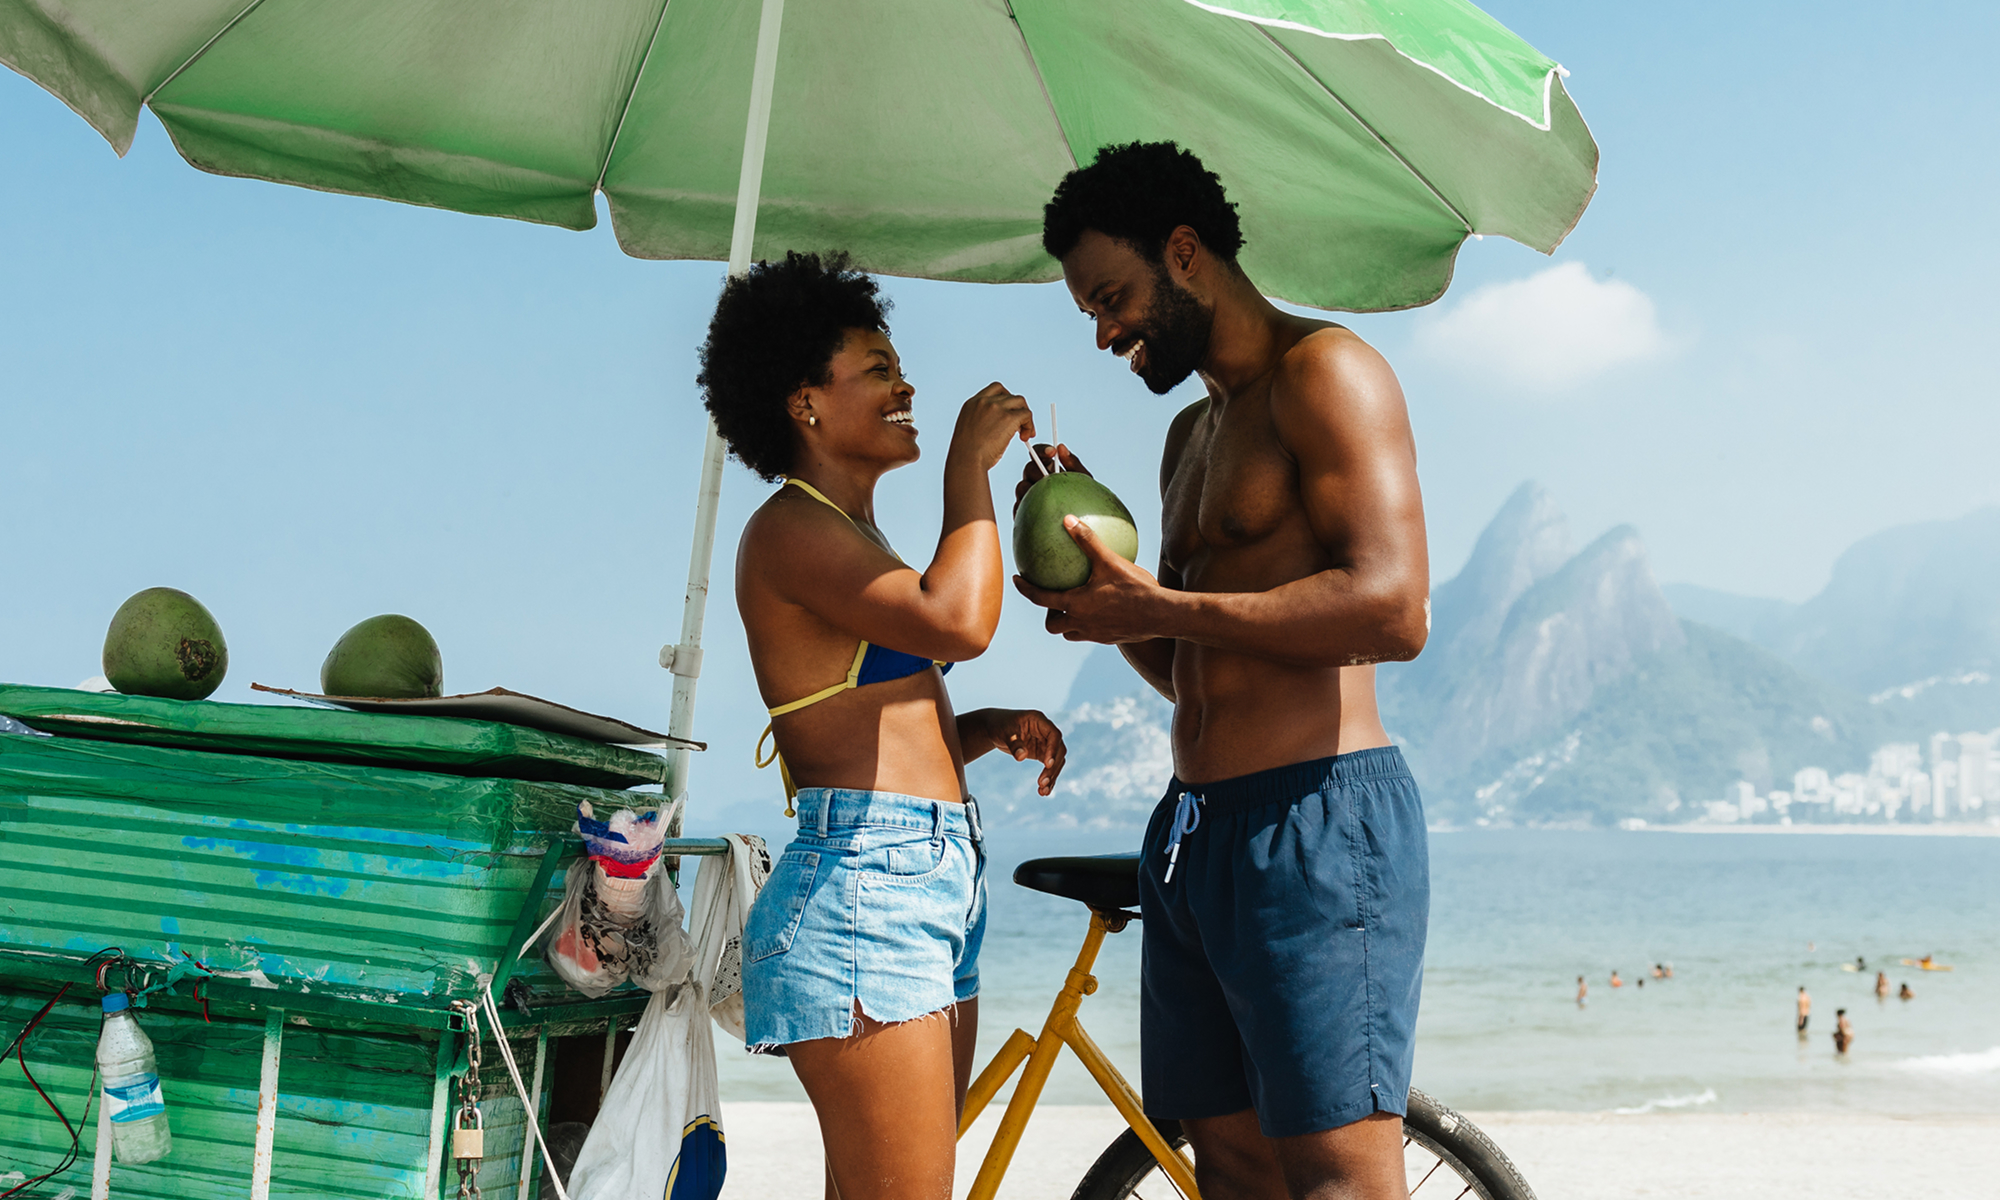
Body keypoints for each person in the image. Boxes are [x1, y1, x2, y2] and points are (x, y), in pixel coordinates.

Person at [1020, 142, 1431, 1200]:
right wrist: (1099, 599)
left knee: (1339, 1180)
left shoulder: (1328, 372)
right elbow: (1192, 666)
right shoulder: (1183, 439)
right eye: (1090, 313)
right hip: (1195, 832)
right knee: (1232, 1172)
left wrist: (1154, 603)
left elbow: (1393, 607)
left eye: (1112, 298)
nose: (1105, 331)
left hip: (1317, 823)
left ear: (1185, 252)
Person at [702, 251, 1069, 1200]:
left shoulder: (858, 539)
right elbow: (962, 621)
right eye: (878, 369)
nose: (905, 385)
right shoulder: (789, 529)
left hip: (923, 880)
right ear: (805, 403)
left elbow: (875, 712)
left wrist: (983, 729)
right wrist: (965, 466)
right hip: (869, 889)